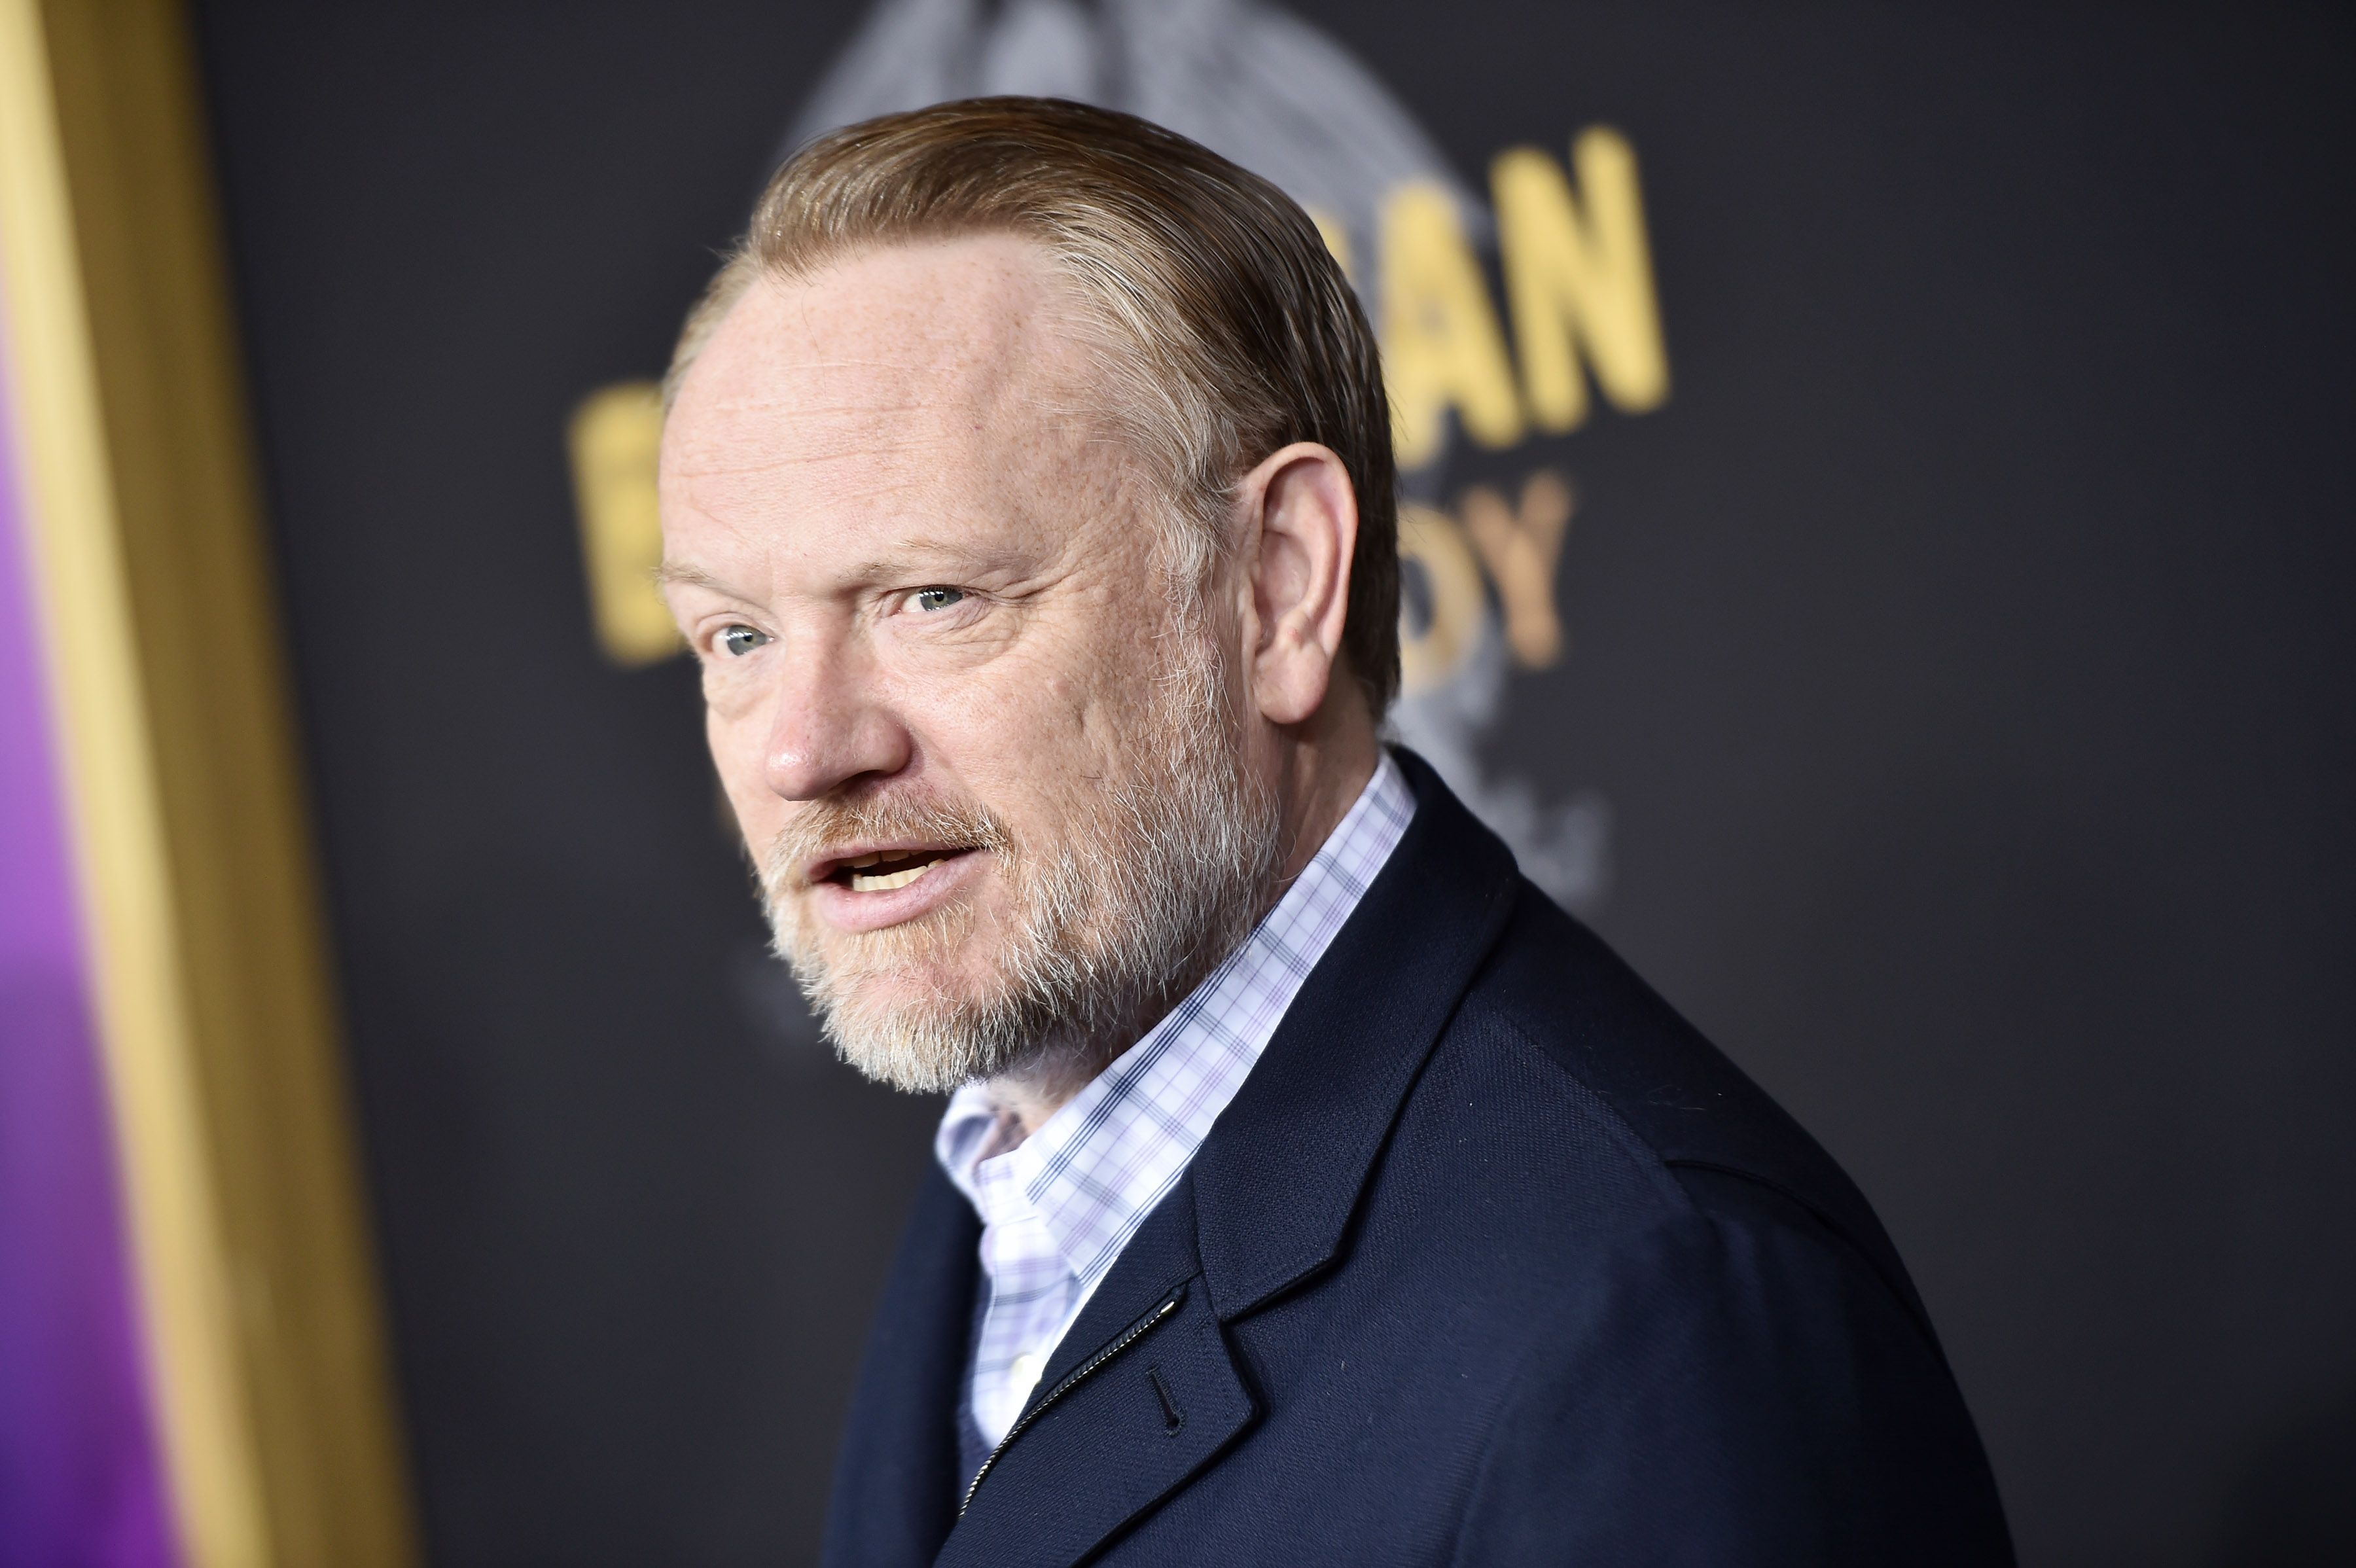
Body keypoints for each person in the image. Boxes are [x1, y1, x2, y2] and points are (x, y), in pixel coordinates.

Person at [656, 96, 2012, 1567]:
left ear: (1280, 586)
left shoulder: (1654, 1316)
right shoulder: (1004, 1184)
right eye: (734, 636)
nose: (803, 747)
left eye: (932, 599)